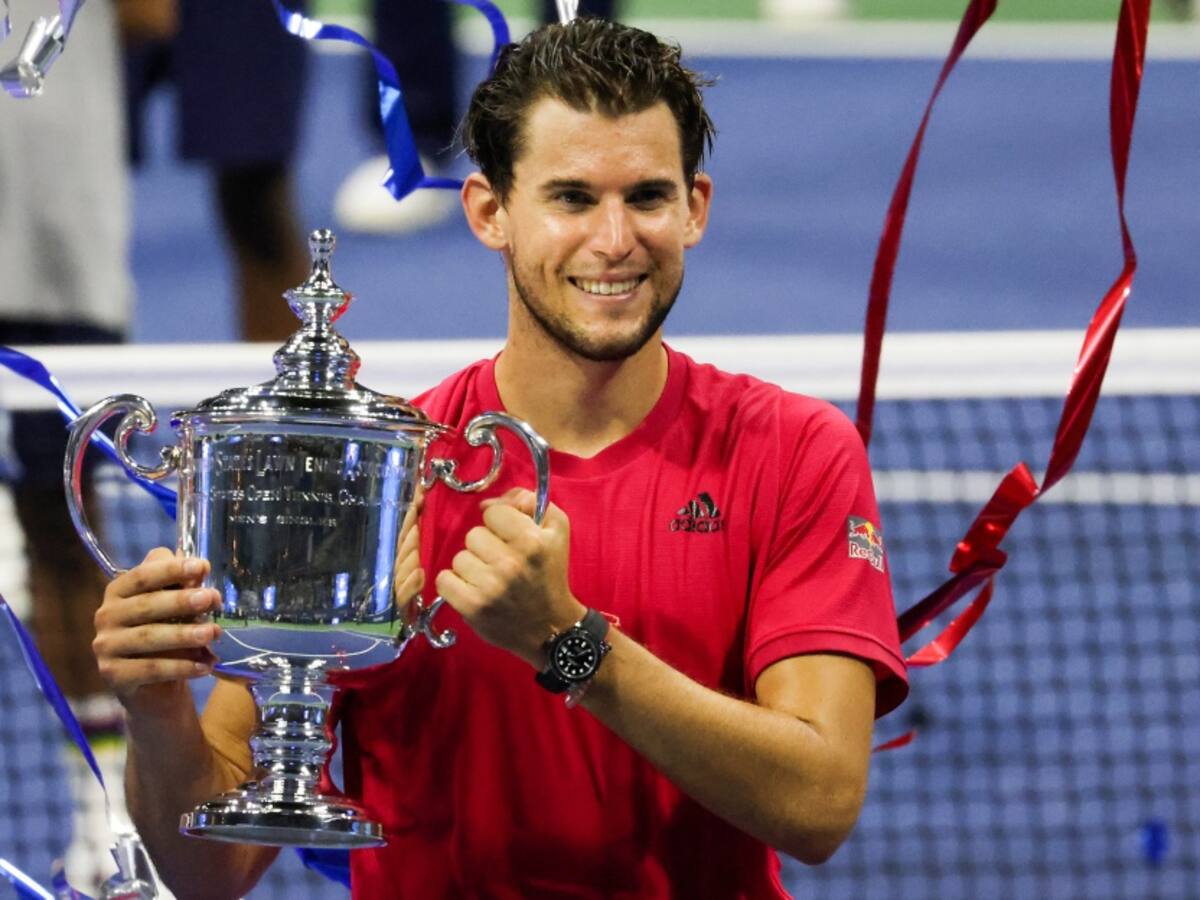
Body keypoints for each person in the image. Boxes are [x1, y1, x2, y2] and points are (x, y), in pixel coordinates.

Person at [92, 19, 908, 898]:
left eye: (646, 197)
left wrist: (569, 643)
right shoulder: (375, 478)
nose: (614, 239)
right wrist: (157, 707)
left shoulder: (793, 451)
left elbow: (819, 804)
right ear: (490, 212)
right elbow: (209, 871)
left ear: (694, 209)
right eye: (571, 198)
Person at [0, 0, 138, 891]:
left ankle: (108, 804)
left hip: (52, 237)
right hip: (61, 231)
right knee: (59, 527)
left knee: (62, 524)